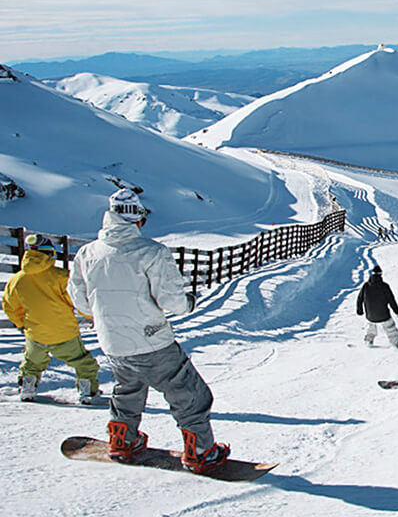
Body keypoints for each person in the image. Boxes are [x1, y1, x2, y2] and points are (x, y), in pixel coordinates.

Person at [67, 189, 230, 473]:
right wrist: (188, 303)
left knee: (128, 388)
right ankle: (200, 451)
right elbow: (170, 300)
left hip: (112, 341)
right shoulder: (151, 252)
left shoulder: (87, 253)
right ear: (137, 220)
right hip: (151, 339)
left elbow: (80, 300)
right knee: (189, 392)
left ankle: (122, 440)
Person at [2, 234, 100, 403]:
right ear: (50, 254)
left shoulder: (17, 280)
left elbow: (10, 306)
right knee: (82, 362)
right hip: (64, 333)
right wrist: (90, 316)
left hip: (35, 333)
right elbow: (78, 300)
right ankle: (87, 392)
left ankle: (27, 387)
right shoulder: (62, 277)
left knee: (32, 362)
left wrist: (22, 324)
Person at [356, 265, 398, 348]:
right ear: (381, 274)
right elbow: (391, 299)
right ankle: (395, 343)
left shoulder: (366, 286)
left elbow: (360, 298)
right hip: (384, 315)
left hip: (370, 315)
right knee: (390, 328)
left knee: (370, 328)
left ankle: (368, 341)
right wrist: (396, 310)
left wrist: (360, 310)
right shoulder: (384, 286)